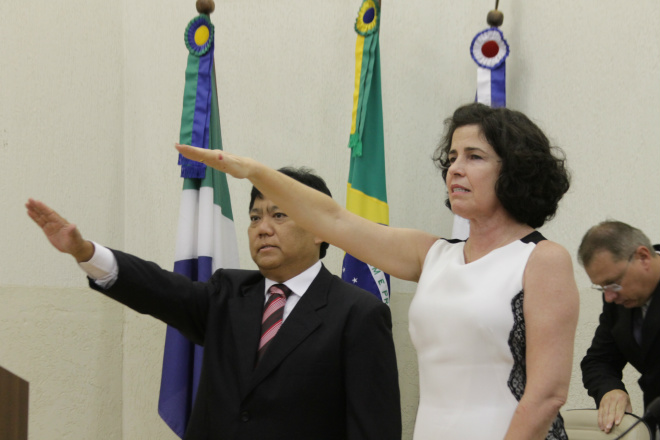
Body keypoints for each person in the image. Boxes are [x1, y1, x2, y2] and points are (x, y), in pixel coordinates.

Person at [176, 102, 580, 440]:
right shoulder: (432, 254)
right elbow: (333, 220)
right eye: (452, 157)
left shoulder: (543, 260)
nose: (455, 169)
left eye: (474, 157)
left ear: (515, 170)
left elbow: (547, 394)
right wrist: (255, 173)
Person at [26, 167, 401, 440]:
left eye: (279, 215)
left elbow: (373, 430)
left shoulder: (358, 314)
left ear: (322, 229)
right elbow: (160, 289)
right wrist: (86, 253)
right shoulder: (228, 292)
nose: (262, 228)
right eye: (255, 217)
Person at [578, 220, 660, 434]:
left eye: (613, 283)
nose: (609, 296)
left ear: (643, 257)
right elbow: (598, 360)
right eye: (602, 287)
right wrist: (610, 389)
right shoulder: (619, 300)